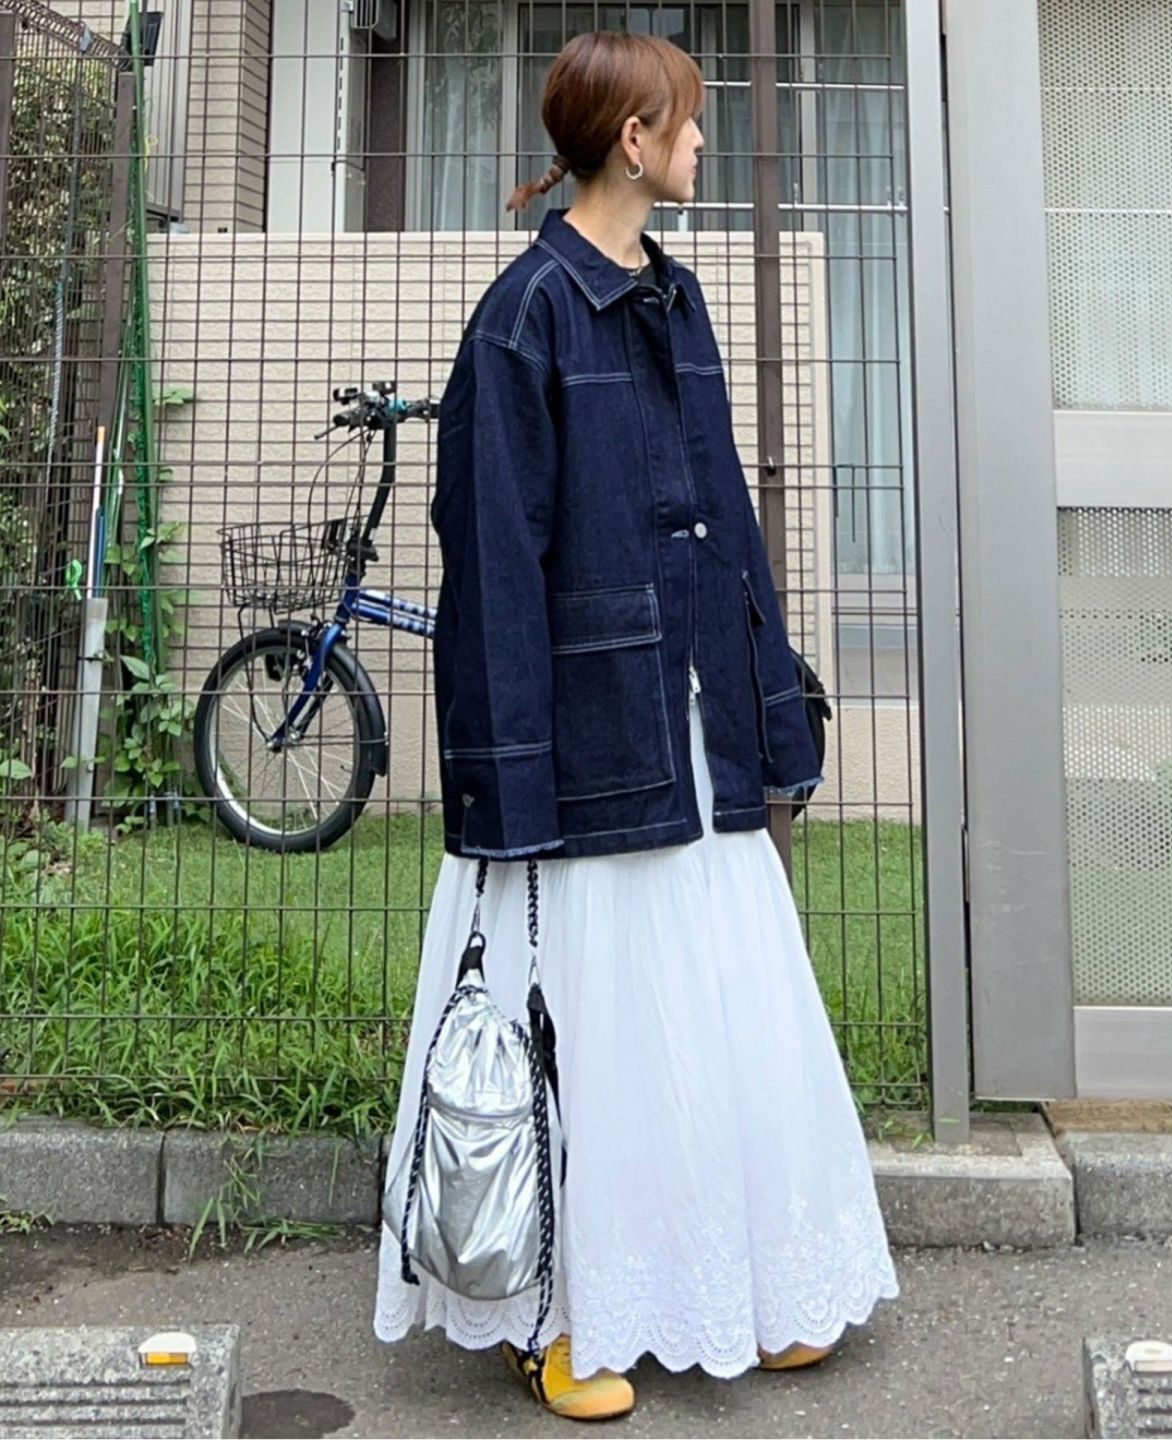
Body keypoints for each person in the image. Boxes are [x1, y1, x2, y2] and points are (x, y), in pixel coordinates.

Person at [374, 28, 899, 1421]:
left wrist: (772, 696)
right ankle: (555, 1312)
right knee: (590, 1033)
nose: (704, 141)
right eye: (690, 120)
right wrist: (509, 792)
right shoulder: (523, 317)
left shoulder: (676, 298)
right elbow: (493, 567)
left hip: (697, 727)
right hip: (585, 749)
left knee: (721, 1018)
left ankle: (746, 1292)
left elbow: (726, 521)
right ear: (634, 140)